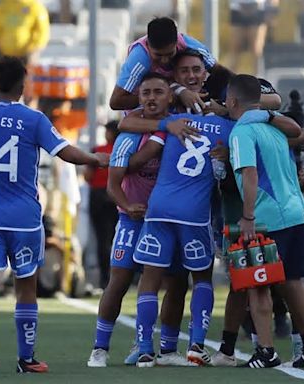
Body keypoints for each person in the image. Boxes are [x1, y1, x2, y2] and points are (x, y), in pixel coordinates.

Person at [0, 56, 109, 374]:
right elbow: (64, 151)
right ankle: (26, 359)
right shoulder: (33, 120)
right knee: (27, 288)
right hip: (23, 220)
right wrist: (95, 158)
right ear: (23, 86)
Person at [87, 72, 192, 368]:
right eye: (145, 93)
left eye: (158, 92)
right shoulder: (130, 135)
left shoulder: (180, 128)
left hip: (167, 221)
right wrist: (127, 205)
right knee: (118, 280)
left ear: (169, 96)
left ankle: (166, 348)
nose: (151, 98)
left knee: (176, 282)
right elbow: (113, 184)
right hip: (132, 219)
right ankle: (100, 348)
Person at [226, 74, 304, 368]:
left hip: (267, 218)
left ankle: (267, 351)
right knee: (293, 283)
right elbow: (302, 136)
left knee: (258, 285)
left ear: (232, 101)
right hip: (295, 211)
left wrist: (247, 217)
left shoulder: (241, 133)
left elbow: (249, 174)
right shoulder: (274, 128)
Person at [131, 88, 235, 368]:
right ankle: (196, 347)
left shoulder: (172, 121)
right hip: (194, 214)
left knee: (150, 281)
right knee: (201, 279)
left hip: (158, 208)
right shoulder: (229, 127)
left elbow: (134, 135)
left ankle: (144, 351)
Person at [109, 16, 231, 113]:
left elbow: (221, 73)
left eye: (169, 54)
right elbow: (116, 102)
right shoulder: (139, 59)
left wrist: (228, 107)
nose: (165, 61)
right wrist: (170, 96)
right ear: (148, 46)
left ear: (177, 43)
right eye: (158, 55)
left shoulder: (193, 46)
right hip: (146, 115)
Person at [84, 121, 120, 289]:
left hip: (99, 196)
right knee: (118, 238)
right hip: (119, 196)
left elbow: (87, 176)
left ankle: (105, 279)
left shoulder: (98, 151)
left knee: (102, 239)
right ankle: (122, 277)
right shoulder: (125, 148)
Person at [0, 0, 50, 68]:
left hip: (26, 58)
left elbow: (42, 32)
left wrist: (34, 51)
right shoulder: (3, 6)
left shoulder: (34, 6)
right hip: (5, 56)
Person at [226, 1, 279, 75]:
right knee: (235, 48)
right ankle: (231, 80)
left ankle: (258, 79)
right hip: (237, 8)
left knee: (256, 49)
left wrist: (272, 10)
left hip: (258, 8)